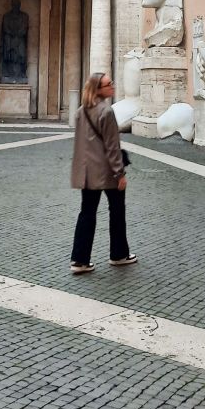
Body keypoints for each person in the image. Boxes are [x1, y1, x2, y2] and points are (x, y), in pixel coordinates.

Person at [69, 72, 137, 274]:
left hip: (87, 171)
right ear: (98, 90)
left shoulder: (81, 111)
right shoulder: (106, 112)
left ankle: (79, 260)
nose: (112, 86)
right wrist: (120, 174)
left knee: (87, 213)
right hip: (107, 171)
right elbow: (112, 146)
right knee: (117, 211)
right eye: (108, 84)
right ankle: (119, 254)